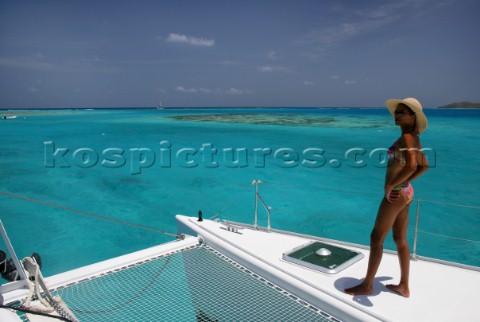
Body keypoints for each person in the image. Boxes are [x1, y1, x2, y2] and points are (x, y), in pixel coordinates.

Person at [345, 97, 429, 298]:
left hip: (397, 194)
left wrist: (393, 185)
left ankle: (367, 285)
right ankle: (404, 286)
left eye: (401, 112)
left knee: (376, 238)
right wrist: (405, 184)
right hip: (406, 192)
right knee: (400, 239)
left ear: (413, 116)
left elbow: (411, 166)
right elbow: (423, 165)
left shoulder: (408, 138)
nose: (396, 115)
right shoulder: (414, 137)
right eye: (396, 112)